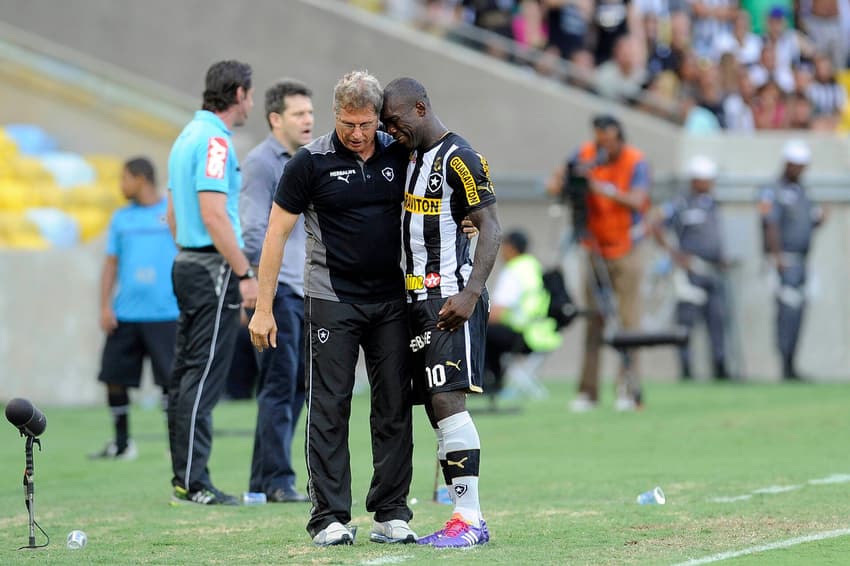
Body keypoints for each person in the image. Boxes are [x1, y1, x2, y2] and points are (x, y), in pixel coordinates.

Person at [249, 70, 415, 546]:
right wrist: (264, 309)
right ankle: (329, 518)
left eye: (366, 123)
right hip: (331, 299)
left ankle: (391, 512)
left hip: (391, 299)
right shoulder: (308, 162)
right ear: (335, 115)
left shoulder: (398, 152)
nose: (358, 133)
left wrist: (466, 225)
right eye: (348, 123)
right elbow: (276, 234)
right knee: (329, 407)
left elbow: (435, 202)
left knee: (393, 406)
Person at [381, 77, 502, 548]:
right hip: (414, 300)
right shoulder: (409, 157)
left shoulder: (461, 157)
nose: (390, 130)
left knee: (449, 400)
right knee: (436, 406)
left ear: (420, 107)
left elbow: (491, 226)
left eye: (394, 120)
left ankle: (469, 518)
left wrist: (472, 293)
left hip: (450, 296)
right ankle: (460, 513)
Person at [166, 60, 258, 505]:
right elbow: (213, 213)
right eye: (251, 94)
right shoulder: (216, 142)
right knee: (202, 376)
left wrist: (190, 251)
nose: (252, 103)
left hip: (186, 260)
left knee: (185, 373)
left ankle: (184, 477)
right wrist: (243, 271)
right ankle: (195, 481)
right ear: (238, 93)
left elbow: (172, 214)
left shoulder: (186, 136)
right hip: (212, 268)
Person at [239, 79, 313, 503]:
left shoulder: (304, 159)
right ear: (275, 119)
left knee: (295, 387)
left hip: (302, 288)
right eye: (298, 114)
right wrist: (254, 283)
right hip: (278, 289)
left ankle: (260, 482)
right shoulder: (262, 163)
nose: (307, 120)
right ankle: (279, 481)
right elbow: (252, 227)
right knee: (280, 387)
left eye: (309, 112)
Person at [546, 114, 650, 411]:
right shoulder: (584, 154)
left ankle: (628, 389)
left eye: (608, 141)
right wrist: (559, 183)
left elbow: (638, 200)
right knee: (594, 320)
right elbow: (560, 176)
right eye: (598, 140)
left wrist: (599, 187)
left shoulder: (635, 161)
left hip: (626, 248)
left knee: (628, 323)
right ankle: (588, 392)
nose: (602, 147)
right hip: (594, 246)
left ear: (619, 138)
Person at [89, 157, 177, 461]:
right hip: (126, 314)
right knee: (114, 377)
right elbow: (110, 265)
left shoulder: (171, 210)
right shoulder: (120, 219)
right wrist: (104, 307)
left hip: (166, 313)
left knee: (171, 382)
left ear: (140, 179)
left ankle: (175, 444)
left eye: (124, 178)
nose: (121, 185)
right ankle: (123, 444)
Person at [652, 156, 731, 381]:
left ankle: (720, 368)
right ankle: (686, 370)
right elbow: (655, 224)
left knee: (717, 321)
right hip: (691, 272)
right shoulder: (680, 203)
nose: (710, 183)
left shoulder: (713, 203)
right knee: (686, 322)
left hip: (713, 271)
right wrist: (675, 255)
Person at [758, 139, 825, 380]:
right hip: (784, 261)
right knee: (786, 313)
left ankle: (792, 363)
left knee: (798, 315)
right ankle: (784, 365)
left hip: (802, 262)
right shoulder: (772, 190)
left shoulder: (803, 191)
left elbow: (806, 222)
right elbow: (771, 224)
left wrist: (819, 221)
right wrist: (776, 257)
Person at [485, 230, 562, 394]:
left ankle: (489, 382)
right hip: (545, 333)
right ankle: (494, 382)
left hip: (526, 335)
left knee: (479, 331)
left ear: (511, 248)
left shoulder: (514, 271)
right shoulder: (533, 265)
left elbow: (496, 312)